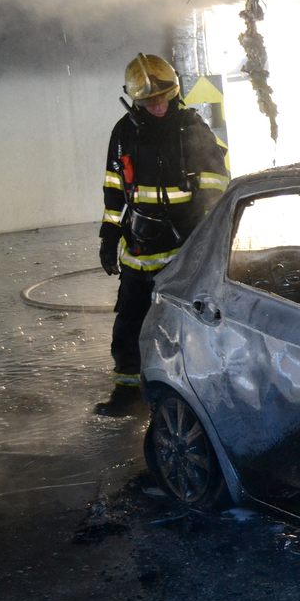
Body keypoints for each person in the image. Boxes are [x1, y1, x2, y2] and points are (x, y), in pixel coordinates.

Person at [95, 53, 229, 416]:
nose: (158, 105)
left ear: (174, 92)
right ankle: (127, 390)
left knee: (189, 323)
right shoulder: (124, 133)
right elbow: (113, 187)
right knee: (130, 319)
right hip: (139, 246)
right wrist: (109, 236)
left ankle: (195, 390)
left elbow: (216, 180)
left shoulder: (191, 129)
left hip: (185, 245)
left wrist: (201, 228)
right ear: (137, 99)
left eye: (163, 97)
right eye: (150, 100)